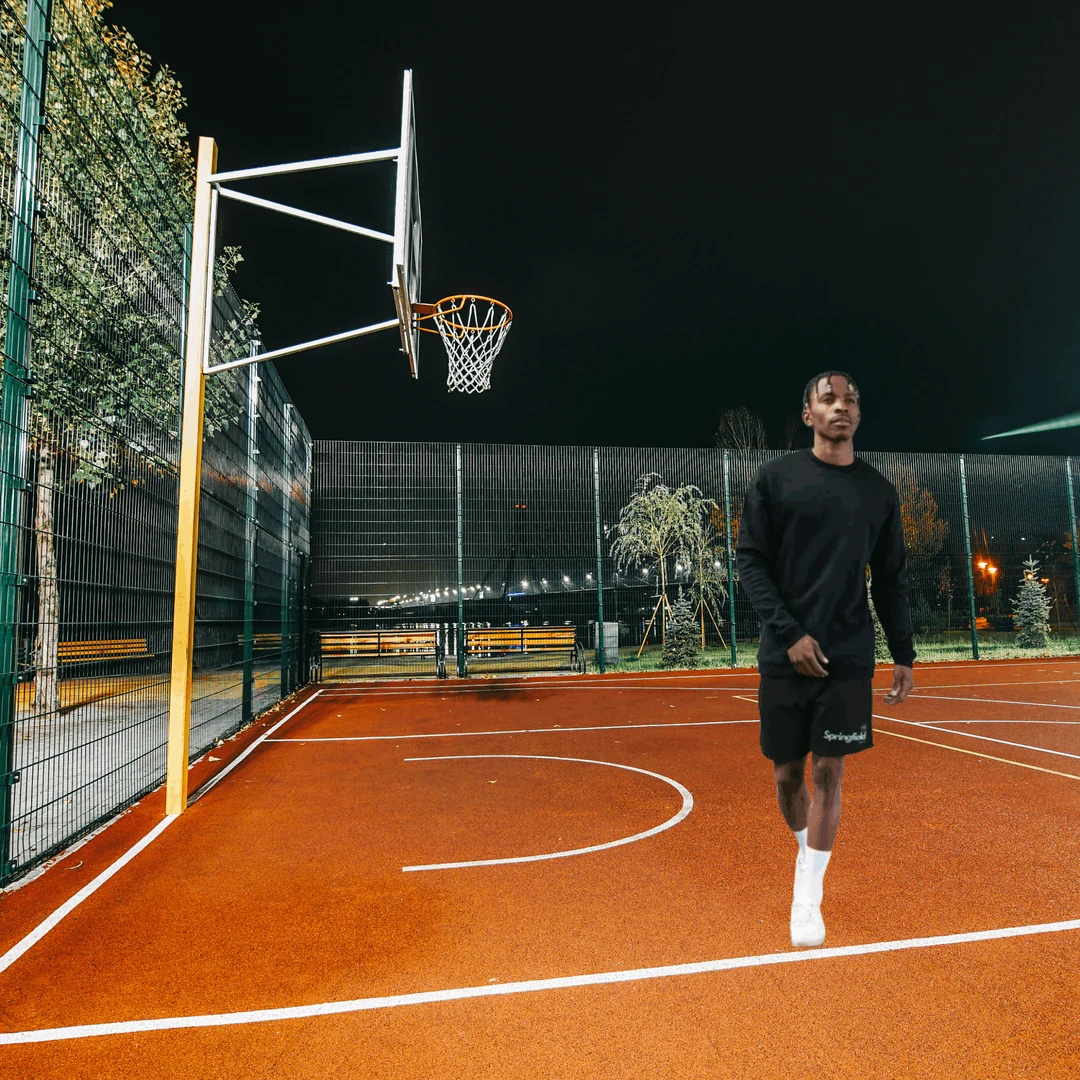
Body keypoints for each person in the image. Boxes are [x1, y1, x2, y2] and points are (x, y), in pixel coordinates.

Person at [736, 371, 915, 947]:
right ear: (808, 414)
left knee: (829, 772)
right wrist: (789, 634)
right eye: (829, 398)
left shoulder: (878, 492)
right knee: (788, 775)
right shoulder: (774, 479)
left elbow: (891, 581)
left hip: (848, 656)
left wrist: (904, 652)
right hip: (783, 655)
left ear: (858, 414)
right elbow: (750, 563)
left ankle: (808, 895)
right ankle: (806, 851)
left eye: (851, 399)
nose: (842, 406)